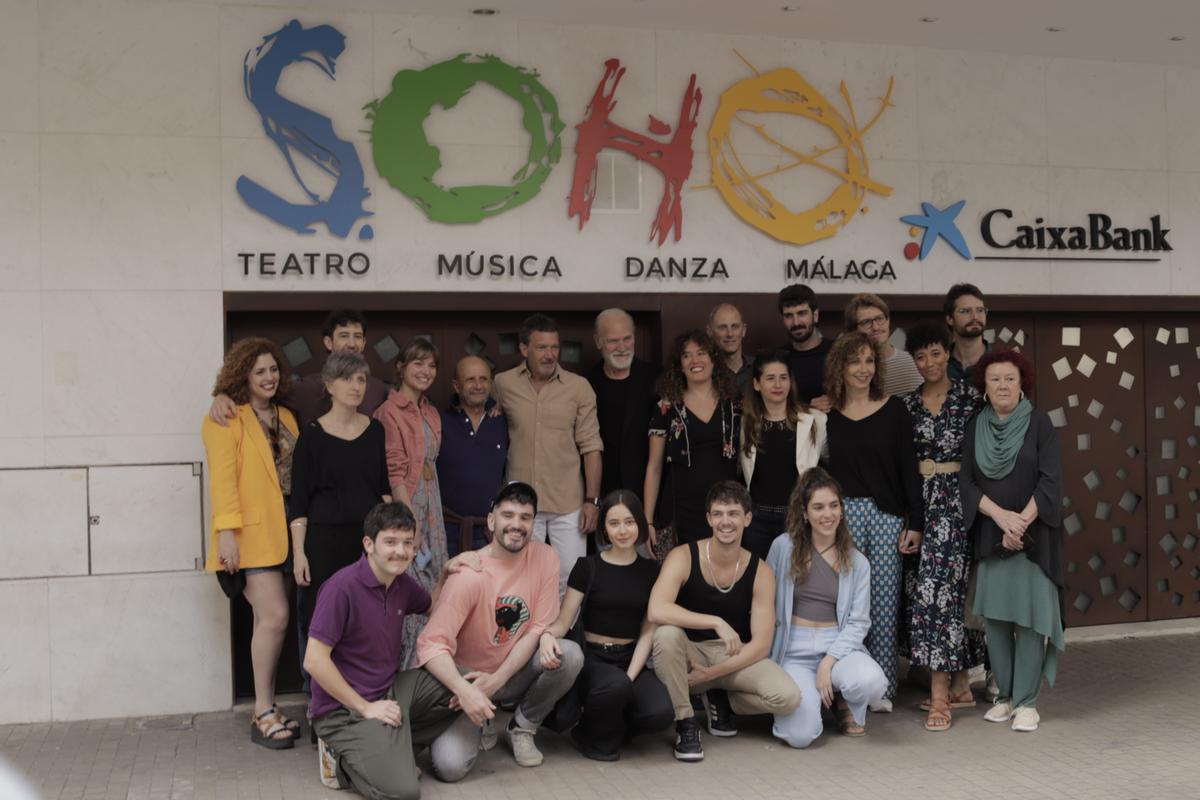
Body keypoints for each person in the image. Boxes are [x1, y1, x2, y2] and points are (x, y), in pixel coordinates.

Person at [305, 502, 481, 797]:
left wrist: (447, 574)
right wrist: (365, 707)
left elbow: (432, 607)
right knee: (404, 792)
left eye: (407, 543)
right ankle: (341, 763)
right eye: (390, 542)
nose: (400, 551)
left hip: (389, 690)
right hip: (344, 709)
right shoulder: (341, 588)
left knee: (469, 683)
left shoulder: (401, 583)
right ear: (369, 544)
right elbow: (314, 660)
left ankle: (392, 750)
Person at [416, 482, 584, 775]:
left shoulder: (545, 558)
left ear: (533, 523)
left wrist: (498, 679)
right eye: (508, 515)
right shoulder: (469, 574)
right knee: (450, 768)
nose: (516, 525)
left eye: (525, 517)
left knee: (568, 654)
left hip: (511, 671)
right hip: (467, 680)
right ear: (492, 521)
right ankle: (479, 721)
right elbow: (429, 645)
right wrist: (464, 690)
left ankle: (523, 726)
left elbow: (536, 628)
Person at [648, 481, 800, 762]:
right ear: (708, 518)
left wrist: (712, 675)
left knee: (788, 697)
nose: (725, 521)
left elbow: (762, 645)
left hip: (732, 655)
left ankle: (721, 698)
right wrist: (715, 621)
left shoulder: (761, 571)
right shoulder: (683, 556)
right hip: (688, 656)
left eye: (733, 513)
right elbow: (656, 609)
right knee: (666, 635)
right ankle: (686, 722)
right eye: (718, 514)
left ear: (748, 518)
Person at [202, 337, 300, 749]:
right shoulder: (226, 417)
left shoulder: (289, 417)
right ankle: (262, 711)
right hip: (249, 536)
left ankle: (269, 705)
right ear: (242, 374)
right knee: (275, 616)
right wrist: (226, 534)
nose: (269, 377)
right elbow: (223, 480)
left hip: (289, 534)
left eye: (273, 369)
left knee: (270, 623)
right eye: (259, 370)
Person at [961, 350, 1065, 733]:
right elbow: (967, 483)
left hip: (1034, 536)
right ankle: (1004, 697)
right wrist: (1001, 518)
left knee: (1032, 621)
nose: (1002, 385)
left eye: (1009, 378)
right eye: (994, 380)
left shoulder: (1040, 424)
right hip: (992, 533)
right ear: (984, 387)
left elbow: (1050, 481)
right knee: (999, 622)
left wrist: (1020, 522)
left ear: (1022, 383)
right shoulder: (975, 426)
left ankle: (1027, 703)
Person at [823, 331, 924, 709]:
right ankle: (849, 683)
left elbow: (908, 469)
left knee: (882, 602)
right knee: (846, 604)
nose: (863, 369)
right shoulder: (827, 414)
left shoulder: (895, 408)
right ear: (840, 367)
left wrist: (915, 521)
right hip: (843, 516)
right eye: (855, 362)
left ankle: (880, 688)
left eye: (869, 361)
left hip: (886, 516)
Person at [538, 490, 672, 761]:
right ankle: (588, 732)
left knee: (661, 713)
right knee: (607, 741)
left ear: (640, 525)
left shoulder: (652, 571)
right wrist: (545, 637)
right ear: (604, 528)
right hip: (594, 658)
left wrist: (630, 677)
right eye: (614, 523)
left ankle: (613, 720)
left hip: (631, 657)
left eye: (629, 522)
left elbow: (648, 630)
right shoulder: (587, 567)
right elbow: (564, 622)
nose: (622, 530)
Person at [902, 322, 988, 732]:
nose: (929, 362)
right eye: (921, 356)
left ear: (947, 354)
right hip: (921, 505)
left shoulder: (970, 399)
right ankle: (961, 685)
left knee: (941, 594)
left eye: (936, 353)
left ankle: (940, 699)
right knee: (934, 592)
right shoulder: (907, 405)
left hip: (959, 504)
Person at [290, 351, 392, 689]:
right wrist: (300, 553)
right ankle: (320, 700)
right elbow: (300, 502)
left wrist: (391, 540)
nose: (356, 385)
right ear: (329, 385)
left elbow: (383, 489)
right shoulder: (312, 435)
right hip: (323, 543)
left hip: (366, 543)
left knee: (366, 619)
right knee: (322, 622)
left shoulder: (375, 430)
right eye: (347, 378)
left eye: (361, 378)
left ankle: (363, 694)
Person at [767, 468, 887, 747]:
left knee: (872, 682)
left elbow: (859, 622)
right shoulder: (783, 548)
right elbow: (766, 602)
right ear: (805, 513)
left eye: (834, 506)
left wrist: (828, 661)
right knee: (801, 737)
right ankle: (810, 699)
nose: (827, 514)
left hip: (836, 644)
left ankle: (839, 697)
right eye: (818, 507)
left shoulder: (857, 562)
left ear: (842, 510)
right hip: (792, 648)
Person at [494, 314, 603, 589]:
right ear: (524, 349)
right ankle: (527, 633)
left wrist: (592, 500)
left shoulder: (579, 388)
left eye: (554, 347)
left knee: (570, 577)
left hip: (568, 502)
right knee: (518, 577)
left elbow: (591, 447)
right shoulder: (503, 384)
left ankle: (562, 633)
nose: (550, 354)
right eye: (542, 347)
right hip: (520, 502)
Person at [374, 338, 449, 662]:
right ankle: (406, 671)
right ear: (401, 368)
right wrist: (409, 522)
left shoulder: (430, 410)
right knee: (411, 587)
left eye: (432, 365)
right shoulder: (389, 412)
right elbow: (395, 471)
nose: (426, 370)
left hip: (433, 503)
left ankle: (428, 666)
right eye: (418, 363)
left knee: (437, 584)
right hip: (410, 504)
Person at [208, 309, 389, 428]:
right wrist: (224, 395)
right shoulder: (306, 388)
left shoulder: (378, 389)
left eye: (357, 337)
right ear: (328, 342)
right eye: (344, 336)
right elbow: (260, 389)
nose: (351, 344)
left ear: (364, 343)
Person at [644, 330, 741, 551]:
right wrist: (648, 520)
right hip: (680, 509)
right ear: (679, 364)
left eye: (701, 353)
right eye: (687, 355)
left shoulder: (735, 404)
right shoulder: (666, 407)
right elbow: (654, 466)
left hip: (725, 509)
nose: (695, 361)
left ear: (713, 359)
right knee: (682, 577)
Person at [739, 349, 827, 560]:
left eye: (783, 378)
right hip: (757, 518)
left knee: (795, 582)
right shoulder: (745, 423)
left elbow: (830, 462)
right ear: (757, 384)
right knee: (759, 580)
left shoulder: (815, 420)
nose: (778, 385)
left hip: (796, 516)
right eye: (770, 378)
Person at [438, 356, 508, 557]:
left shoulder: (504, 420)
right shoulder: (439, 421)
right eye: (470, 380)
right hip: (449, 532)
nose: (478, 386)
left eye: (483, 379)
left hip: (492, 532)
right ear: (456, 385)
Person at [586, 309, 658, 499]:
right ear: (598, 342)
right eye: (613, 341)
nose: (622, 347)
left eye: (627, 338)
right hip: (602, 495)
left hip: (647, 495)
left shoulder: (657, 379)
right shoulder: (585, 384)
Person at [844, 293, 923, 397]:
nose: (876, 327)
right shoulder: (849, 370)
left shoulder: (914, 362)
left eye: (880, 318)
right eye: (866, 322)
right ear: (853, 330)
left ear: (888, 320)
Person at [777, 284, 833, 411]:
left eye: (802, 313)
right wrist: (806, 408)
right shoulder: (778, 358)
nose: (796, 322)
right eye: (789, 316)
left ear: (815, 315)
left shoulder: (837, 352)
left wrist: (837, 400)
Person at [945, 283, 991, 381]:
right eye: (965, 311)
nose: (975, 317)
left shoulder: (1001, 364)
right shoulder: (939, 364)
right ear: (950, 319)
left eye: (980, 310)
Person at [707, 303, 753, 394]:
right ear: (709, 331)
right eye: (722, 327)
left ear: (743, 330)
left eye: (735, 327)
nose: (730, 334)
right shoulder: (704, 373)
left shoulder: (760, 368)